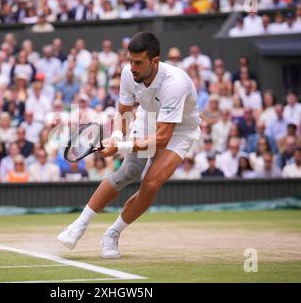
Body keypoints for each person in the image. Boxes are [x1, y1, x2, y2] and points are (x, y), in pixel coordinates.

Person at [57, 32, 201, 259]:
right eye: (129, 61)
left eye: (138, 63)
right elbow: (124, 113)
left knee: (152, 183)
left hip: (180, 131)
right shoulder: (128, 73)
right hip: (147, 121)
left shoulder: (175, 83)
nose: (132, 67)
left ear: (155, 61)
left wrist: (120, 147)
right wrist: (116, 136)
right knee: (129, 170)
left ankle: (112, 234)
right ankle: (79, 224)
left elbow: (163, 138)